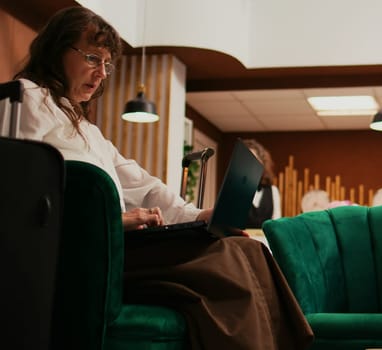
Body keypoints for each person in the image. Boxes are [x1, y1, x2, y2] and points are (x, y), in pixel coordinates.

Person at [14, 6, 313, 350]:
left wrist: (199, 216)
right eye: (93, 58)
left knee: (247, 248)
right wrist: (117, 219)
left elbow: (144, 186)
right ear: (56, 50)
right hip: (89, 252)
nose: (101, 74)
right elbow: (27, 197)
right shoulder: (24, 100)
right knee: (225, 258)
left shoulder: (89, 132)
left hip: (119, 245)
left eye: (107, 65)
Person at [242, 139, 282, 228]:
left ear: (262, 162)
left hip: (264, 241)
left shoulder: (273, 190)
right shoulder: (235, 189)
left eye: (253, 159)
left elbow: (276, 224)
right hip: (239, 240)